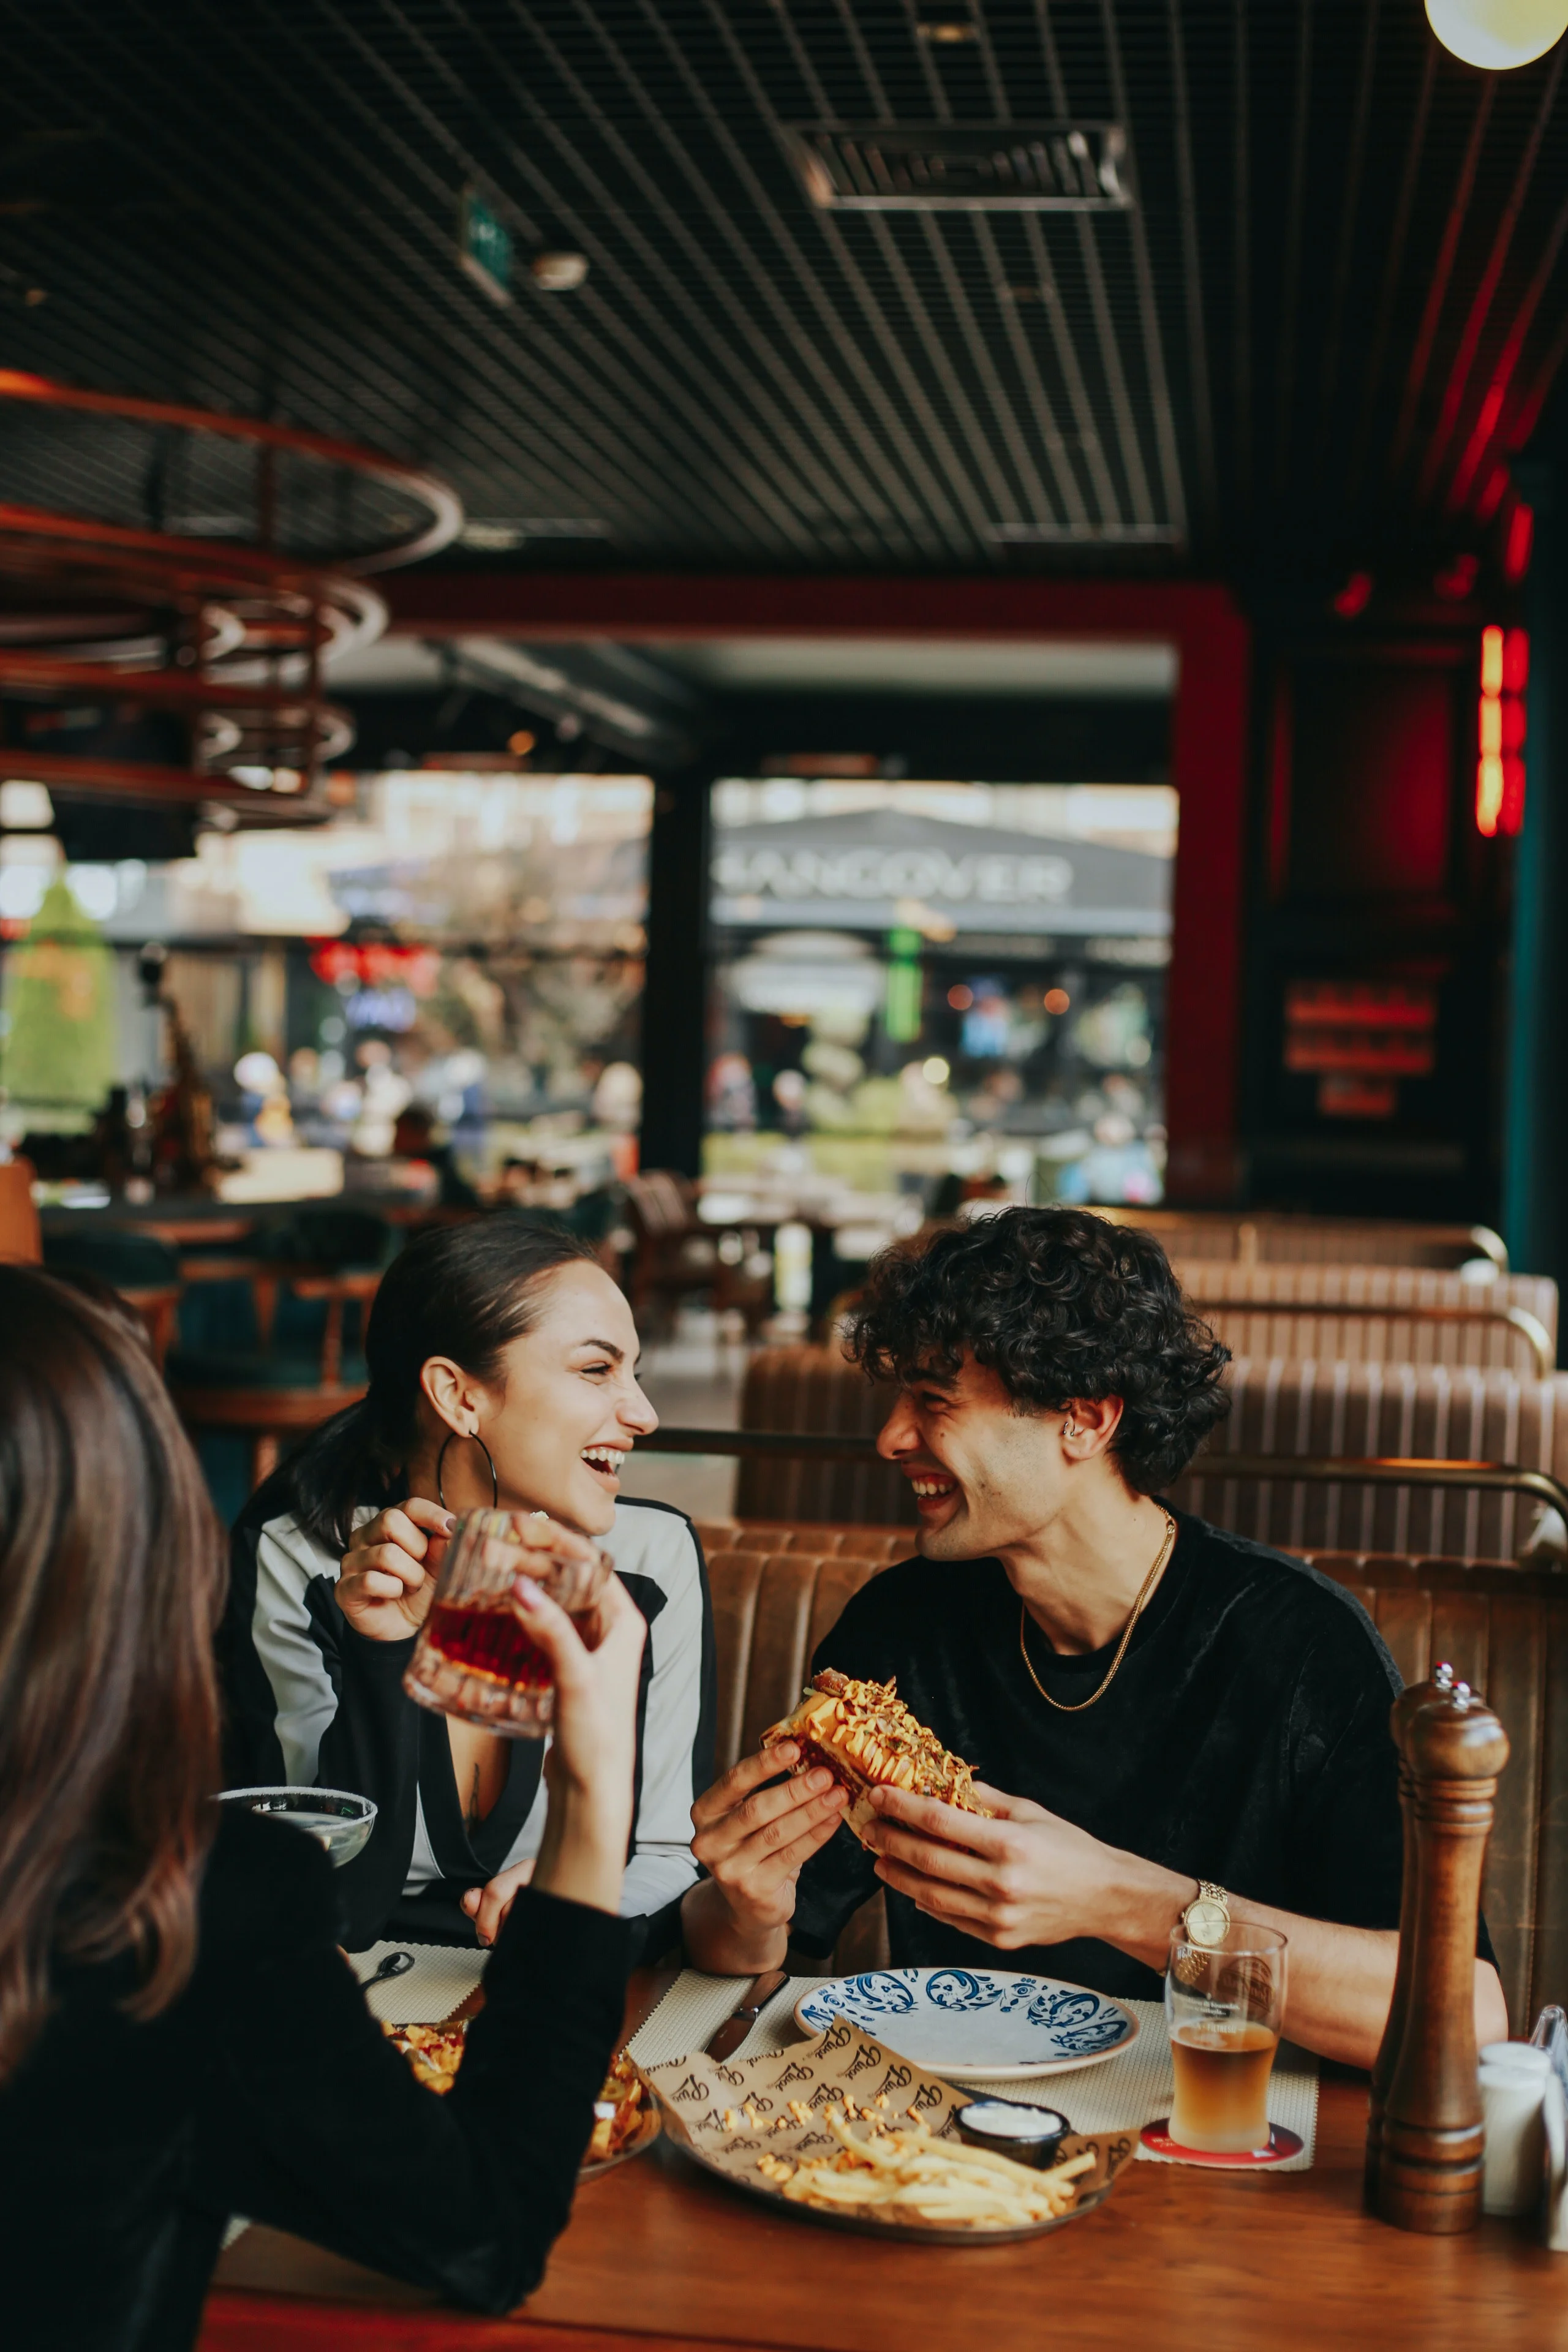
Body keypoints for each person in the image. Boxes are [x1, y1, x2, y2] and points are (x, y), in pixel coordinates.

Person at [682, 1207, 1508, 2068]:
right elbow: (745, 1947)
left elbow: (1463, 2011)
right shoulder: (904, 1629)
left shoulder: (1298, 1648)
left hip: (1221, 2134)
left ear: (1086, 1420)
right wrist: (743, 1909)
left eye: (933, 1403)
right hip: (955, 2145)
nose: (891, 1437)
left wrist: (1124, 1904)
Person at [0, 1266, 644, 2350]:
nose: (640, 1411)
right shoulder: (182, 1918)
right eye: (596, 1369)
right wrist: (591, 1794)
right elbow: (485, 2232)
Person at [221, 1216, 713, 1958]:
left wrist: (572, 1896)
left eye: (634, 1373)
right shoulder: (302, 1566)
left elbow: (668, 1853)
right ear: (457, 1395)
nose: (642, 1414)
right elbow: (332, 1902)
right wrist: (380, 1654)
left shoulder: (650, 1560)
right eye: (595, 1370)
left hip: (567, 1971)